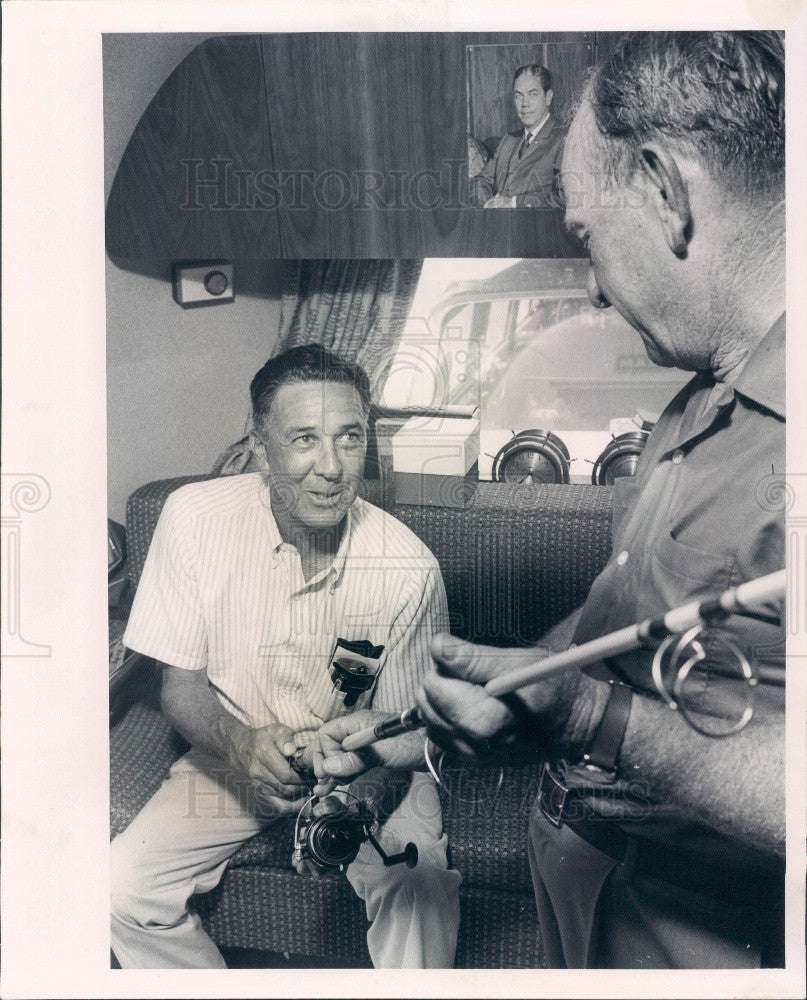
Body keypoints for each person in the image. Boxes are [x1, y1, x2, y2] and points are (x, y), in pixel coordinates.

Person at [318, 32, 787, 969]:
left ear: (665, 189)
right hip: (591, 886)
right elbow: (628, 620)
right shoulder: (700, 398)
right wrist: (458, 712)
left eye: (583, 234)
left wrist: (586, 721)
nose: (592, 286)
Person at [110, 344, 461, 969]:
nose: (331, 467)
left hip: (369, 765)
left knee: (417, 892)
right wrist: (241, 745)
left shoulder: (410, 568)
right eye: (303, 439)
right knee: (119, 890)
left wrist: (358, 795)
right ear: (259, 446)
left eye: (349, 438)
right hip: (233, 748)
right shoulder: (191, 518)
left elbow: (419, 736)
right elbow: (180, 688)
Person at [469, 64, 566, 208]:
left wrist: (514, 203)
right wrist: (489, 204)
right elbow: (479, 182)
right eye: (518, 96)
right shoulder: (508, 140)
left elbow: (565, 197)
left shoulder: (564, 138)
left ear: (548, 97)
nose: (524, 104)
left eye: (533, 94)